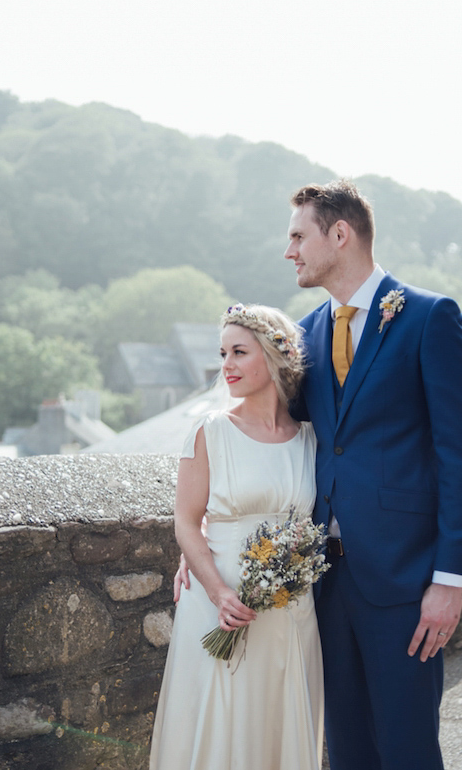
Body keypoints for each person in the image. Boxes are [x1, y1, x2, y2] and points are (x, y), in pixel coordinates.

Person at [284, 179, 462, 770]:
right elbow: (281, 436)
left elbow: (461, 454)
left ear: (339, 234)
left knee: (407, 748)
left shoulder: (429, 317)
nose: (289, 250)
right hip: (326, 578)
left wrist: (451, 580)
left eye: (298, 235)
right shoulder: (305, 334)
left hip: (406, 580)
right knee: (345, 749)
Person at [149, 304, 324, 770]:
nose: (225, 365)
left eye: (239, 352)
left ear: (274, 357)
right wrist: (218, 591)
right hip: (220, 604)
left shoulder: (309, 437)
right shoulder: (211, 431)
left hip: (290, 611)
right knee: (220, 726)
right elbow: (186, 522)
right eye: (222, 352)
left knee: (276, 723)